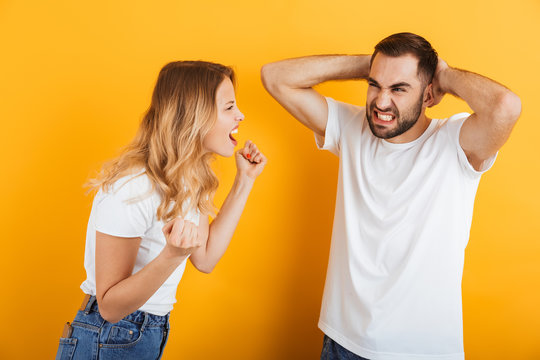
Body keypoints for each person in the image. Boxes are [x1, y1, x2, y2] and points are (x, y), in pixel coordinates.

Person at [261, 32, 520, 360]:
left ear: (428, 95)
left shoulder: (455, 143)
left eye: (399, 89)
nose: (381, 102)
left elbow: (506, 106)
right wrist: (371, 66)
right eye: (375, 85)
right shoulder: (352, 128)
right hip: (342, 343)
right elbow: (275, 77)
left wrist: (444, 76)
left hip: (422, 351)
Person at [55, 60, 267, 360]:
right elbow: (110, 306)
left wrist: (244, 181)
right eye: (229, 107)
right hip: (109, 336)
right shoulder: (133, 186)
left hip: (146, 333)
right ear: (194, 115)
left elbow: (205, 258)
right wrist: (171, 256)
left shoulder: (189, 180)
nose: (240, 115)